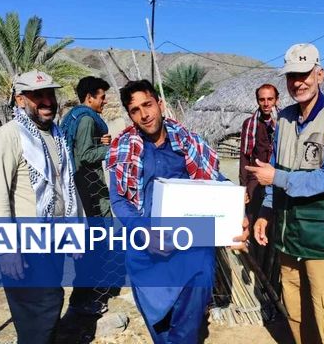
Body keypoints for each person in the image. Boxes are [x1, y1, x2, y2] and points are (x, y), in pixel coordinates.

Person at [107, 79, 249, 343]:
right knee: (158, 325)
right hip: (147, 249)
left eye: (147, 105)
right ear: (130, 115)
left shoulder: (189, 143)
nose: (144, 114)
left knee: (188, 326)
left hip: (193, 250)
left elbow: (214, 180)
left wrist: (237, 211)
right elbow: (119, 200)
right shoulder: (124, 148)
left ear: (159, 104)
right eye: (135, 110)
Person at [246, 43, 324, 344]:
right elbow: (276, 167)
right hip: (288, 231)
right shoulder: (284, 119)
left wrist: (277, 178)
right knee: (295, 306)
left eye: (305, 74)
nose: (299, 82)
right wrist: (267, 210)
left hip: (322, 235)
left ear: (320, 74)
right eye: (292, 76)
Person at [0, 70, 81, 344]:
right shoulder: (9, 136)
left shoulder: (56, 135)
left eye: (50, 94)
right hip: (25, 247)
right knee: (41, 310)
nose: (47, 101)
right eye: (38, 96)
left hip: (52, 241)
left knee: (45, 310)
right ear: (20, 99)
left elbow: (66, 186)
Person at [60, 76, 113, 318]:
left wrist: (99, 142)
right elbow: (85, 155)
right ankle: (89, 299)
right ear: (89, 97)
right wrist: (113, 149)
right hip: (89, 192)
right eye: (101, 97)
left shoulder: (73, 117)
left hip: (81, 188)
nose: (104, 101)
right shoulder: (86, 121)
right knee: (97, 242)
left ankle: (86, 296)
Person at [239, 83, 281, 291]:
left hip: (278, 181)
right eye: (262, 99)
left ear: (276, 100)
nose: (266, 103)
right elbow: (244, 157)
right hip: (256, 183)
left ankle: (274, 280)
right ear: (258, 101)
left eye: (270, 99)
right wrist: (245, 187)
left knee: (274, 229)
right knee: (256, 225)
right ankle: (259, 278)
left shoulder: (283, 123)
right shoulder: (250, 124)